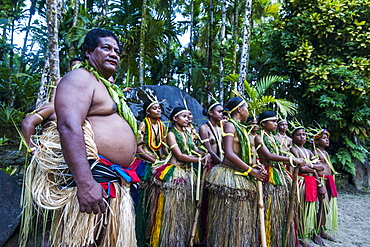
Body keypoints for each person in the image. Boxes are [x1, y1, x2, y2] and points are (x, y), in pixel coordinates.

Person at [21, 28, 138, 247]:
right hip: (92, 179)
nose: (114, 54)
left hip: (111, 180)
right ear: (87, 52)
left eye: (117, 51)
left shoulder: (104, 86)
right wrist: (85, 184)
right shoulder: (79, 78)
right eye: (106, 48)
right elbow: (68, 126)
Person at [206, 97, 266, 247]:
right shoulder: (229, 127)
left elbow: (244, 153)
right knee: (227, 219)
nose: (248, 112)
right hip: (229, 174)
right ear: (239, 109)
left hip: (241, 174)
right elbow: (229, 153)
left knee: (239, 219)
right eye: (246, 108)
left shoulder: (242, 128)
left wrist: (255, 166)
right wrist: (251, 171)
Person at [148, 107, 211, 247]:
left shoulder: (188, 134)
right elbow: (180, 155)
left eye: (189, 116)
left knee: (186, 210)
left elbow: (195, 150)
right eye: (184, 116)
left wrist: (205, 154)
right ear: (175, 119)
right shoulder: (171, 134)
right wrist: (199, 160)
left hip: (187, 173)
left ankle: (185, 239)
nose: (188, 118)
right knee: (173, 210)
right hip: (176, 173)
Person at [254, 111, 305, 247]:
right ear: (263, 123)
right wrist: (291, 159)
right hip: (269, 177)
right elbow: (269, 155)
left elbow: (278, 153)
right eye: (273, 121)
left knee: (282, 209)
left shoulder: (273, 138)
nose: (276, 124)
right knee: (269, 210)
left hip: (280, 174)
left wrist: (296, 159)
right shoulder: (259, 137)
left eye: (277, 121)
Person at [134, 99, 167, 246]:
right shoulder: (143, 124)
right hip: (145, 162)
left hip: (157, 161)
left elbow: (163, 147)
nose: (158, 110)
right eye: (155, 108)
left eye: (159, 108)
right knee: (143, 199)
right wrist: (153, 160)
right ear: (148, 112)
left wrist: (165, 159)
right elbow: (139, 149)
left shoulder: (162, 126)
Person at [290, 126, 325, 247]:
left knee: (309, 210)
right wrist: (312, 165)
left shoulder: (309, 152)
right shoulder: (293, 149)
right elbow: (300, 168)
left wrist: (310, 165)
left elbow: (321, 167)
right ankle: (297, 238)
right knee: (299, 210)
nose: (302, 137)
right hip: (300, 182)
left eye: (304, 134)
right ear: (293, 137)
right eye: (299, 134)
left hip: (311, 181)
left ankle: (304, 236)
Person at [313, 129, 338, 245]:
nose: (327, 139)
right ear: (316, 141)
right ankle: (316, 233)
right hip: (321, 180)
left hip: (329, 180)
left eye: (327, 138)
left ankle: (321, 230)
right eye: (323, 138)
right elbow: (314, 169)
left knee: (326, 207)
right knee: (324, 205)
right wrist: (319, 183)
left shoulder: (325, 153)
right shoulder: (315, 152)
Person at [199, 102, 224, 166]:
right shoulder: (204, 128)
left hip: (221, 163)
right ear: (210, 113)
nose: (221, 114)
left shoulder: (220, 129)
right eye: (219, 112)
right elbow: (208, 150)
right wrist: (222, 163)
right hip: (210, 164)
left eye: (222, 112)